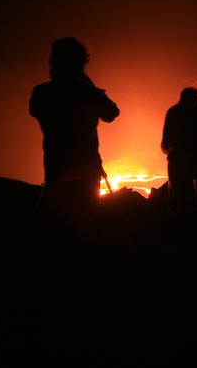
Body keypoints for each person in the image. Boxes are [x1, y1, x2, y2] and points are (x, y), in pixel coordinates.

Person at [29, 36, 120, 247]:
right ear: (81, 62)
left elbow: (35, 108)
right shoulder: (88, 93)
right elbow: (111, 112)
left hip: (56, 170)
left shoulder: (43, 93)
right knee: (84, 232)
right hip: (87, 170)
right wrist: (85, 83)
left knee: (56, 233)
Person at [161, 87, 197, 217]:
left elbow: (166, 139)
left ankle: (180, 226)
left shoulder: (173, 112)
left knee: (178, 199)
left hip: (178, 160)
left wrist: (168, 149)